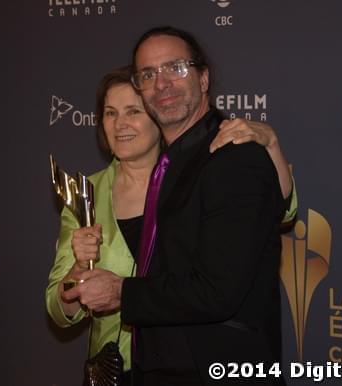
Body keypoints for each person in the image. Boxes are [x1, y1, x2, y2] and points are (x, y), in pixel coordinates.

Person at [63, 27, 290, 385]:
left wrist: (122, 291)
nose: (162, 83)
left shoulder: (234, 157)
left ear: (203, 79)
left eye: (176, 68)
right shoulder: (168, 166)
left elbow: (218, 291)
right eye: (148, 75)